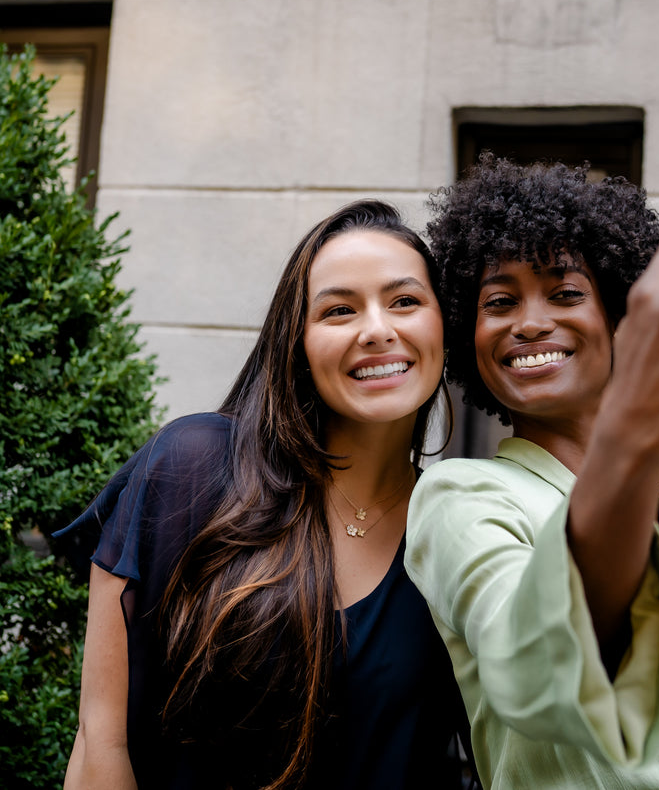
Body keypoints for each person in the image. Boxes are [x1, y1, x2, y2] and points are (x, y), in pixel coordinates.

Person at [405, 153, 659, 788]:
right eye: (499, 302)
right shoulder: (461, 498)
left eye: (566, 292)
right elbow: (539, 673)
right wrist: (639, 436)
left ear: (622, 318)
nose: (530, 322)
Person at [54, 200, 472, 790]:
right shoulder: (194, 468)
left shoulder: (457, 527)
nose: (378, 329)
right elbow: (104, 742)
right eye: (338, 310)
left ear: (444, 325)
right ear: (297, 341)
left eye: (405, 301)